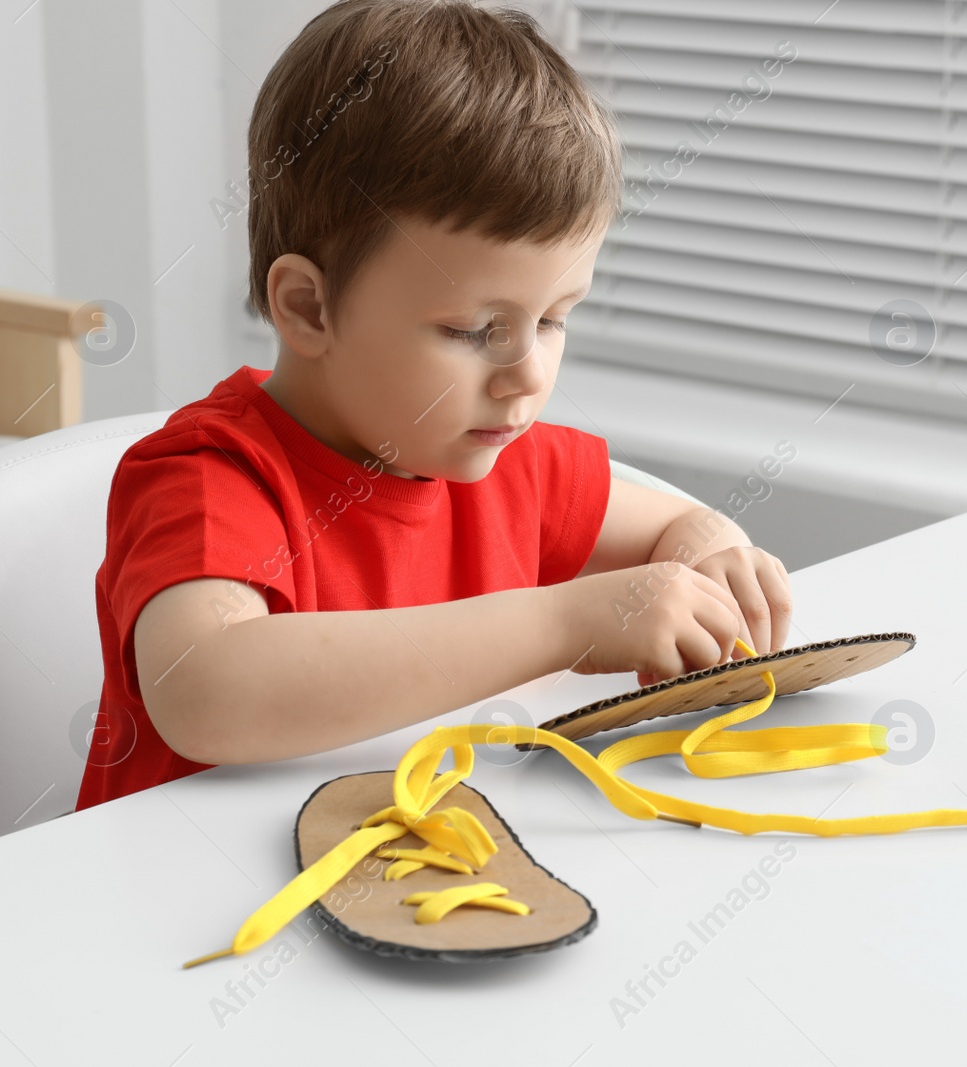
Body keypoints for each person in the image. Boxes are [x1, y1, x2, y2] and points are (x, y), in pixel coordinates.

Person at [75, 0, 792, 810]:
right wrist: (564, 623)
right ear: (309, 308)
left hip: (419, 886)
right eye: (473, 328)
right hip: (181, 912)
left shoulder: (513, 465)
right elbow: (205, 692)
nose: (527, 374)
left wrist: (712, 550)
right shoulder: (211, 479)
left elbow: (677, 528)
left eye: (553, 318)